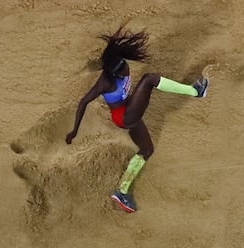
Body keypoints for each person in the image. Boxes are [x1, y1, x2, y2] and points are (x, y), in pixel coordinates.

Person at [65, 25, 209, 213]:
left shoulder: (115, 64)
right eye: (123, 70)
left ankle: (122, 191)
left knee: (147, 149)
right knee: (149, 79)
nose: (127, 71)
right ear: (113, 73)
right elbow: (83, 102)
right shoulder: (105, 83)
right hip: (124, 116)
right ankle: (196, 92)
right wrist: (74, 131)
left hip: (128, 108)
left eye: (125, 65)